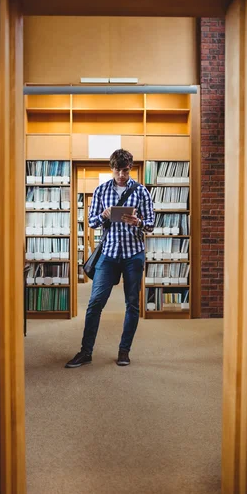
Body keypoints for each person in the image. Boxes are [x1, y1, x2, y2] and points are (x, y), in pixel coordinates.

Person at [65, 149, 155, 368]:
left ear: (130, 168)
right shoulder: (101, 191)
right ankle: (86, 351)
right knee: (95, 303)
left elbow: (151, 224)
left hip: (133, 254)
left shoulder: (142, 192)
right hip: (109, 253)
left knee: (132, 304)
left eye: (125, 170)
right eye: (117, 170)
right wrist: (103, 215)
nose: (121, 175)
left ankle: (124, 351)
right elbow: (92, 222)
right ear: (111, 168)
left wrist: (138, 223)